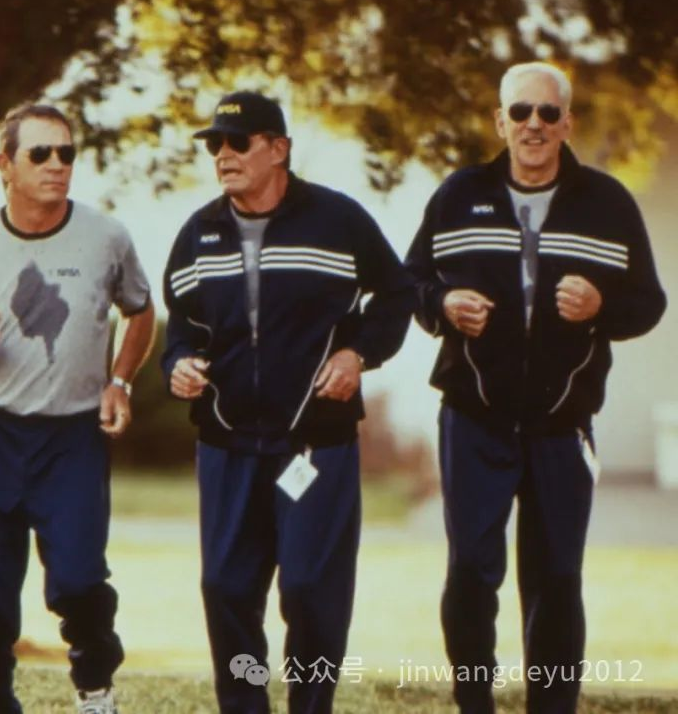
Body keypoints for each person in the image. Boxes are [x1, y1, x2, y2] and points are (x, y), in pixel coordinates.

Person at [405, 61, 666, 714]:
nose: (534, 124)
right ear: (500, 121)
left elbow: (648, 302)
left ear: (567, 123)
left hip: (562, 421)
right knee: (471, 570)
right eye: (520, 111)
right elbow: (410, 282)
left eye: (548, 113)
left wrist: (600, 305)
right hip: (473, 416)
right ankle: (475, 703)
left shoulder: (607, 203)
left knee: (556, 577)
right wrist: (444, 303)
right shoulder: (459, 195)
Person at [162, 90, 414, 714]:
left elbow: (398, 292)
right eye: (215, 145)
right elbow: (183, 326)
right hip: (226, 444)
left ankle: (310, 705)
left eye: (238, 142)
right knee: (226, 590)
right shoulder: (198, 233)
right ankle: (245, 704)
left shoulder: (338, 219)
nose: (223, 155)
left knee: (309, 590)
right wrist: (179, 364)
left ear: (278, 149)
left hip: (315, 441)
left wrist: (358, 354)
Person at [0, 103, 155, 714]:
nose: (57, 164)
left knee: (79, 580)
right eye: (40, 153)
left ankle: (95, 686)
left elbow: (140, 311)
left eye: (66, 153)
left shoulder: (107, 237)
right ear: (5, 165)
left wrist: (120, 381)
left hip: (73, 436)